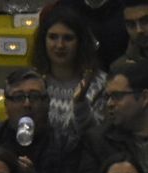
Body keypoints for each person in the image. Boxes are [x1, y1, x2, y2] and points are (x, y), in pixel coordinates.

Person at [35, 6, 106, 138]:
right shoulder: (32, 82)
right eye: (53, 37)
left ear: (80, 42)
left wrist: (80, 106)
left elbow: (99, 137)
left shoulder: (99, 84)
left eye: (68, 38)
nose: (60, 45)